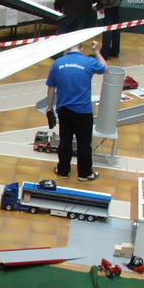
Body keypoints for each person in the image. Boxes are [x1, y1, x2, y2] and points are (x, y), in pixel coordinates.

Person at [44, 39, 107, 181]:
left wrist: (49, 107)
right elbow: (105, 68)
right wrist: (96, 50)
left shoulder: (57, 64)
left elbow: (51, 88)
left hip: (64, 110)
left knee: (65, 142)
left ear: (67, 49)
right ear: (82, 48)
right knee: (84, 144)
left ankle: (63, 171)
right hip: (83, 111)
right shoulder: (88, 62)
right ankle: (84, 174)